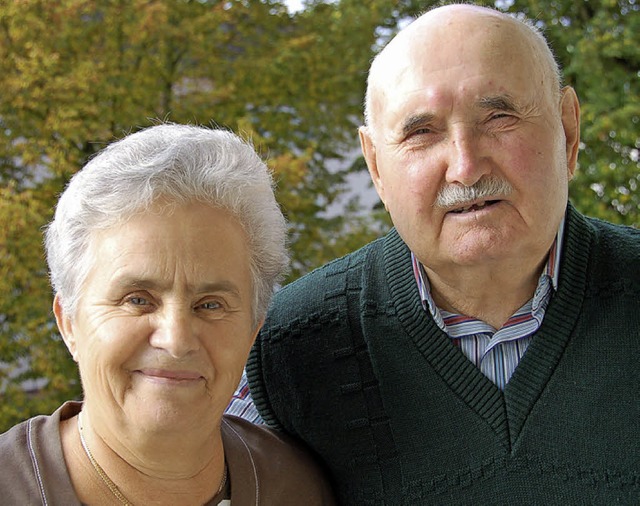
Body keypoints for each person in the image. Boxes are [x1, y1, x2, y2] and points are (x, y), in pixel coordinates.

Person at [244, 4, 640, 505]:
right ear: (376, 166)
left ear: (567, 129)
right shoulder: (287, 348)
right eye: (421, 133)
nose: (466, 167)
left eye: (499, 117)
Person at [0, 124, 336, 505]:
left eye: (210, 304)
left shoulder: (295, 490)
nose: (176, 340)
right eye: (137, 300)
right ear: (69, 322)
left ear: (252, 330)